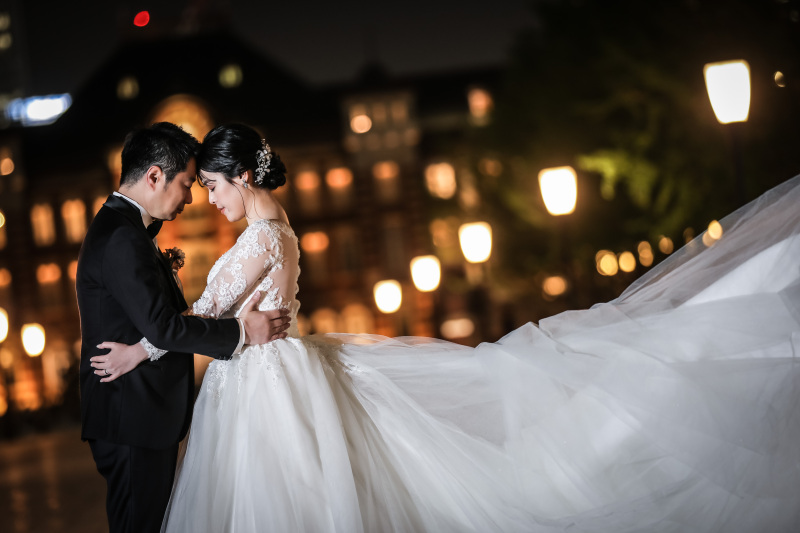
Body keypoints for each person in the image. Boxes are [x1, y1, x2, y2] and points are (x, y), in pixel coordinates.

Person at [92, 123, 800, 532]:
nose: (205, 199)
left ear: (241, 176)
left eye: (211, 185)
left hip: (264, 388)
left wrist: (140, 349)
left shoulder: (258, 237)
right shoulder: (277, 229)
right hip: (274, 375)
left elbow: (207, 318)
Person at [76, 122, 291, 533]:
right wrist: (244, 331)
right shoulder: (122, 236)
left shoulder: (128, 229)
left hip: (138, 413)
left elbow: (160, 322)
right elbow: (163, 327)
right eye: (188, 183)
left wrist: (140, 349)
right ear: (154, 175)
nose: (193, 198)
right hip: (131, 415)